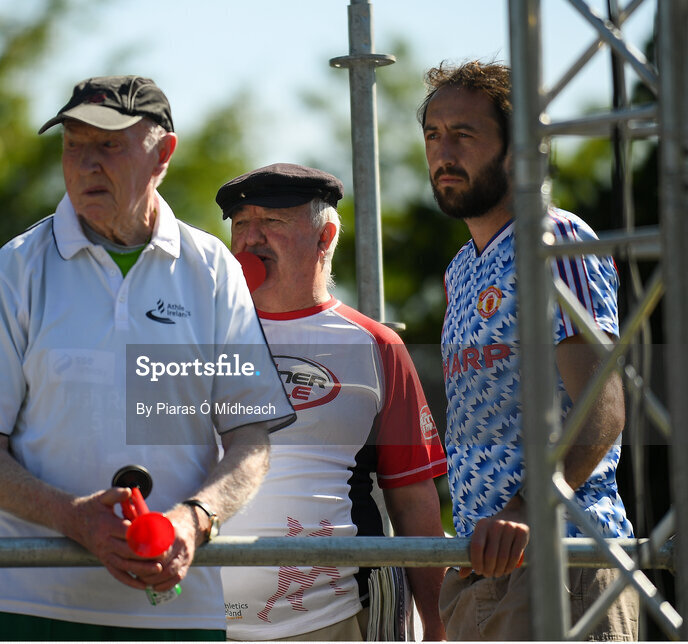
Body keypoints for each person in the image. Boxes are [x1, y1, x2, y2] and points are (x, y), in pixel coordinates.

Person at [0, 75, 296, 641]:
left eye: (108, 145)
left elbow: (251, 442)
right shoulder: (17, 268)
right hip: (28, 606)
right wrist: (74, 517)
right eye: (73, 144)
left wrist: (193, 520)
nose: (86, 164)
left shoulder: (212, 270)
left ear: (163, 155)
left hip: (176, 612)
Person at [419, 60, 639, 640]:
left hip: (562, 560)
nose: (443, 152)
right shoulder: (460, 270)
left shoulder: (554, 238)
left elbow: (604, 408)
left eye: (464, 134)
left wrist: (522, 509)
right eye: (433, 134)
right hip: (480, 568)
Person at [215, 163, 448, 641]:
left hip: (340, 619)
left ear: (326, 236)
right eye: (240, 224)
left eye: (273, 222)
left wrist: (439, 625)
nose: (250, 240)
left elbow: (413, 500)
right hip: (204, 621)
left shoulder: (376, 346)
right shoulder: (196, 337)